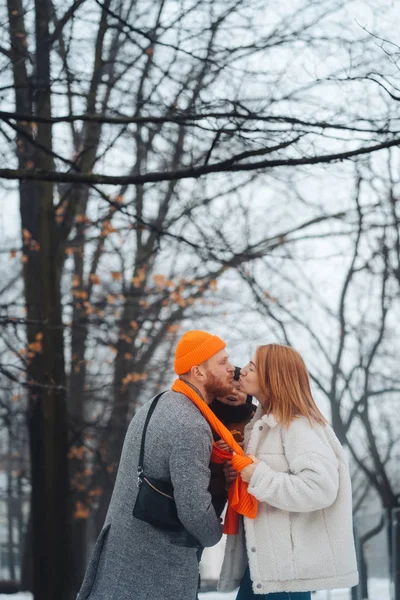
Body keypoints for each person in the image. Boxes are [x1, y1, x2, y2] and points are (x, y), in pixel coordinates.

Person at [77, 330, 235, 600]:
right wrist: (215, 534)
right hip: (156, 571)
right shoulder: (191, 424)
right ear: (198, 371)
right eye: (222, 362)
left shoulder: (155, 405)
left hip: (122, 561)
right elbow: (194, 510)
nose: (231, 368)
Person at [218, 344, 359, 599]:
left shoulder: (298, 425)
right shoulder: (261, 426)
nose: (242, 372)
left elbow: (321, 488)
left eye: (252, 367)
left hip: (285, 579)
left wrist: (257, 475)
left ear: (273, 379)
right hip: (265, 570)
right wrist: (238, 472)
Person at [209, 367, 256, 517]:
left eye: (239, 389)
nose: (233, 392)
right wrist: (214, 447)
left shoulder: (253, 418)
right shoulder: (208, 415)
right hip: (211, 483)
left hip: (240, 484)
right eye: (228, 387)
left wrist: (239, 449)